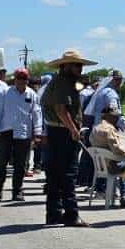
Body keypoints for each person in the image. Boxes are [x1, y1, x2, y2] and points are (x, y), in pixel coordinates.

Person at [40, 49, 96, 228]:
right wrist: (73, 129)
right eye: (76, 65)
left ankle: (54, 214)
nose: (80, 68)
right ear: (66, 66)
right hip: (63, 132)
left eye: (80, 65)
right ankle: (71, 215)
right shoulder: (64, 82)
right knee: (68, 174)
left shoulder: (62, 81)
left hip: (56, 131)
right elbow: (60, 109)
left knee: (56, 175)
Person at [0, 68, 43, 202]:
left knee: (20, 165)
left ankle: (17, 191)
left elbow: (37, 114)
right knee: (0, 163)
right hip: (6, 131)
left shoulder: (32, 94)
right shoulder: (5, 93)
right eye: (19, 79)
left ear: (27, 81)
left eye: (24, 80)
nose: (21, 82)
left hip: (23, 133)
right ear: (14, 80)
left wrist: (38, 133)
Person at [90, 104, 125, 207]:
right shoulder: (109, 129)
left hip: (100, 166)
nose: (117, 118)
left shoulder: (95, 129)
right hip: (111, 166)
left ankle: (124, 195)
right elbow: (116, 150)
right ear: (107, 116)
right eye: (115, 116)